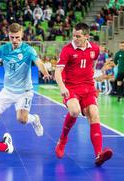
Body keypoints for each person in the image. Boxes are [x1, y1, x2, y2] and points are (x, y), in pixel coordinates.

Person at [0, 23, 50, 141]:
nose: (15, 40)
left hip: (25, 91)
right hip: (8, 90)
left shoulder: (28, 50)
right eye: (12, 37)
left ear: (22, 35)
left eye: (17, 37)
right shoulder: (4, 49)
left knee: (22, 120)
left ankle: (35, 119)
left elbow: (39, 62)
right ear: (8, 35)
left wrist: (45, 73)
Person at [54, 22, 113, 166]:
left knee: (94, 113)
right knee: (74, 111)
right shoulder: (67, 50)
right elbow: (58, 72)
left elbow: (89, 64)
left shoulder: (95, 49)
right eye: (73, 35)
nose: (75, 38)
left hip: (88, 88)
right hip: (71, 88)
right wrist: (62, 86)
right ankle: (62, 140)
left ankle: (99, 154)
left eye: (78, 36)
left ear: (86, 36)